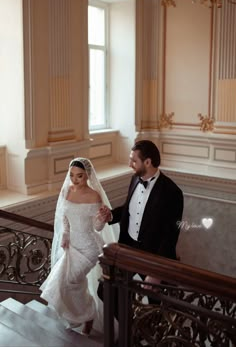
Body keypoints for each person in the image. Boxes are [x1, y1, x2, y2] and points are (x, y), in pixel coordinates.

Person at [97, 139, 184, 307]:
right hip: (127, 248)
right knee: (106, 291)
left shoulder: (172, 192)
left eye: (134, 160)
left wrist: (156, 272)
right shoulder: (135, 179)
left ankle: (144, 332)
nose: (130, 164)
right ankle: (127, 330)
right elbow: (129, 209)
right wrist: (111, 215)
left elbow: (170, 236)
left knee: (154, 305)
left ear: (148, 162)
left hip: (152, 256)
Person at [40, 157, 118, 336]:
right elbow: (64, 217)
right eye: (72, 175)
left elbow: (97, 227)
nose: (75, 180)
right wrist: (65, 234)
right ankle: (86, 314)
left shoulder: (94, 196)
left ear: (87, 175)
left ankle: (88, 313)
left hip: (89, 248)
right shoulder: (67, 191)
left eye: (80, 176)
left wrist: (102, 217)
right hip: (71, 245)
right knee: (61, 282)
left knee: (71, 281)